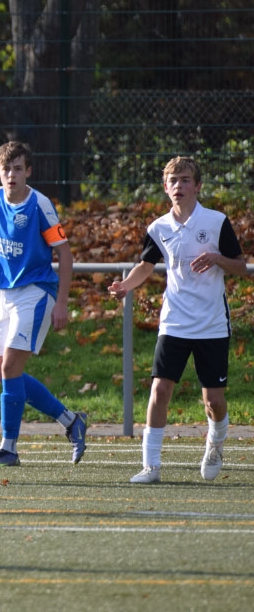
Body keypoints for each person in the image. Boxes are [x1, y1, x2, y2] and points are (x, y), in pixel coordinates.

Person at [109, 156, 246, 484]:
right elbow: (146, 265)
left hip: (211, 323)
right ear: (165, 187)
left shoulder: (216, 222)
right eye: (173, 180)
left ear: (197, 186)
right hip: (175, 321)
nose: (179, 186)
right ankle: (151, 466)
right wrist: (125, 286)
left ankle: (215, 441)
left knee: (213, 400)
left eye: (185, 180)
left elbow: (241, 267)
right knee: (160, 389)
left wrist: (217, 258)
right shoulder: (159, 227)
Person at [0, 141, 88, 466]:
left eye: (18, 168)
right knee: (4, 375)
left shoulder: (39, 205)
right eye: (6, 169)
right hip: (6, 294)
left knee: (11, 368)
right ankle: (71, 421)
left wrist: (62, 302)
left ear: (28, 171)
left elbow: (65, 254)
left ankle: (9, 449)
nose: (11, 174)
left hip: (37, 291)